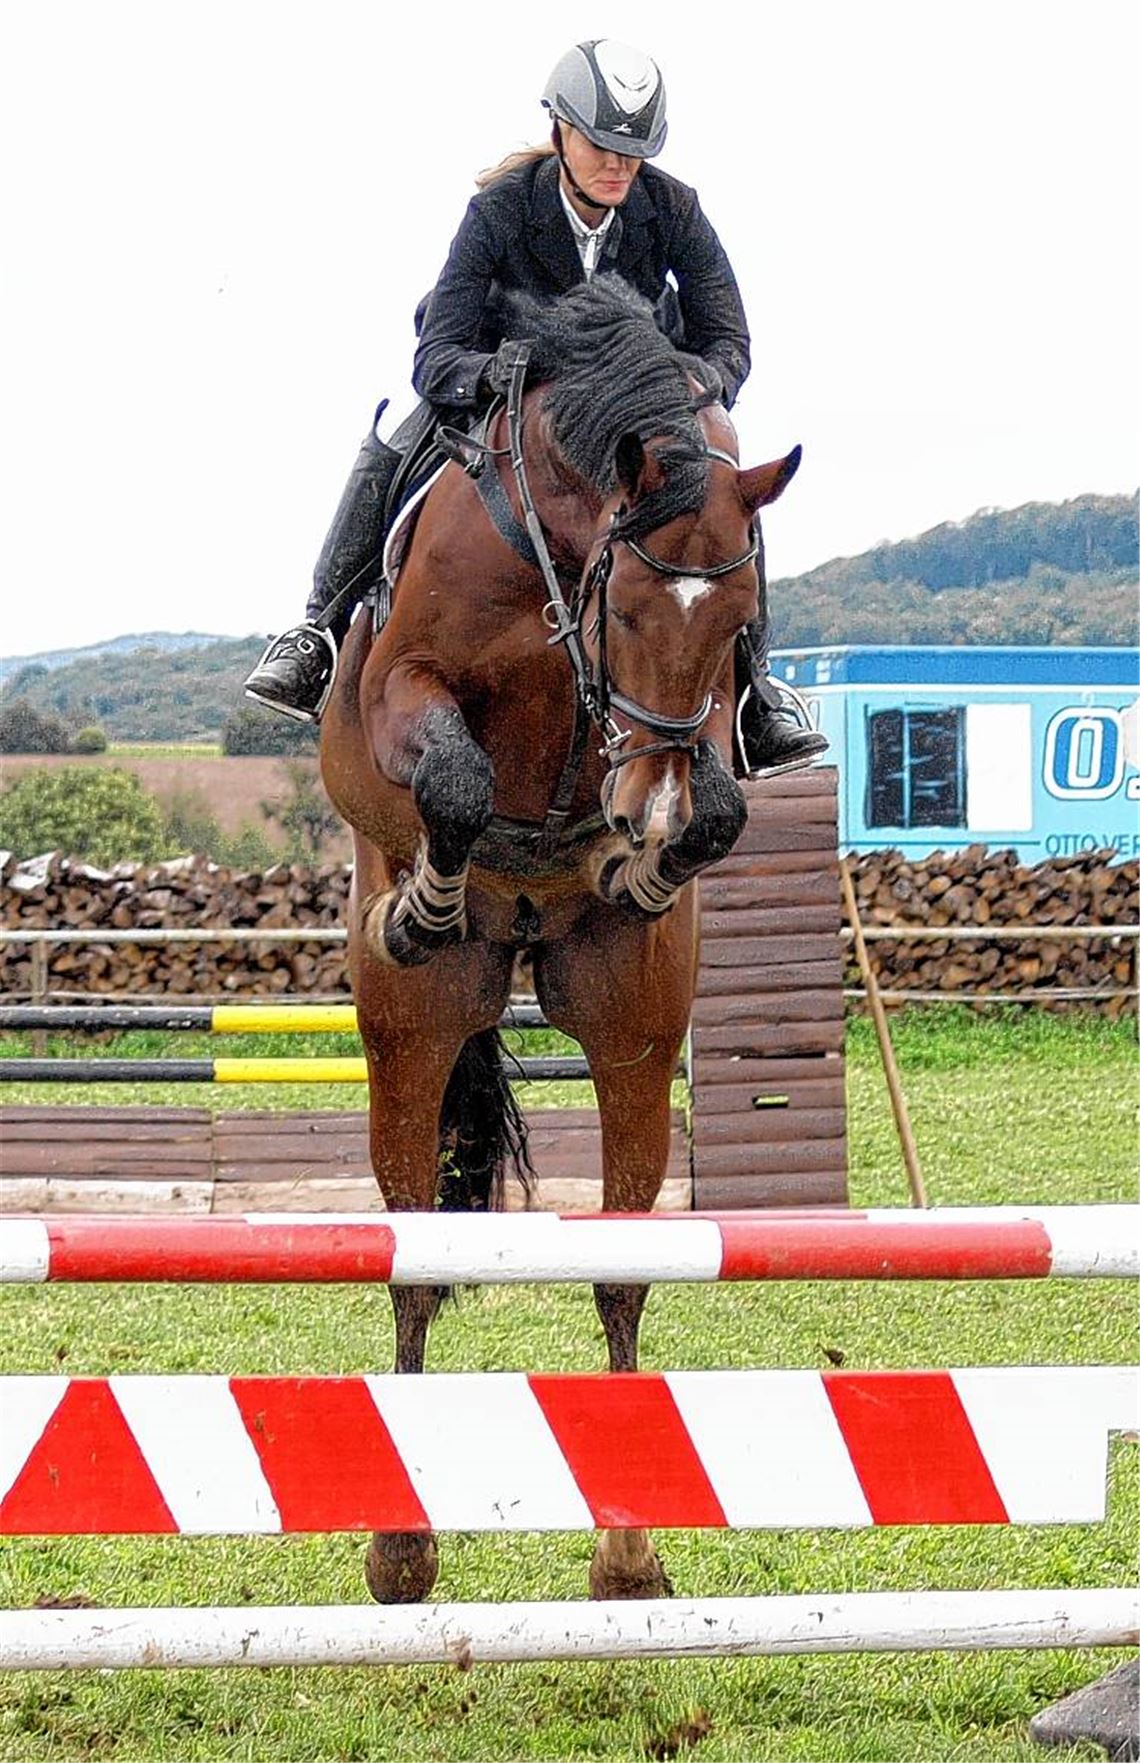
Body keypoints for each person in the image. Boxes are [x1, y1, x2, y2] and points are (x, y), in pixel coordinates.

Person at [244, 39, 828, 776]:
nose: (618, 166)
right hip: (505, 390)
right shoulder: (500, 211)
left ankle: (756, 697)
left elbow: (729, 340)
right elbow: (436, 355)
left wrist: (691, 387)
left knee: (722, 487)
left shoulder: (673, 209)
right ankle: (318, 633)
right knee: (395, 439)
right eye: (602, 146)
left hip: (633, 410)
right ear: (560, 131)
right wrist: (495, 370)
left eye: (632, 152)